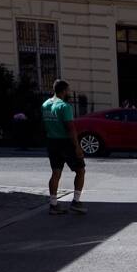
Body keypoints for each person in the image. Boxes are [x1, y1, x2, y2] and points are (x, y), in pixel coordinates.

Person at [41, 79, 85, 215]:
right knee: (80, 170)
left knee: (56, 173)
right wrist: (77, 147)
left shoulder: (45, 104)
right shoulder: (64, 106)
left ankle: (53, 204)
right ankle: (76, 201)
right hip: (65, 142)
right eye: (68, 90)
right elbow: (70, 128)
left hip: (51, 141)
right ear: (64, 91)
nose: (69, 92)